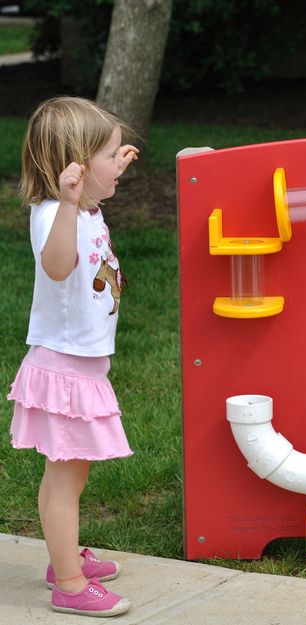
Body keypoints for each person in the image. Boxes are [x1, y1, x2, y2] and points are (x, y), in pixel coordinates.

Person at [7, 96, 139, 617]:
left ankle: (63, 559)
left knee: (69, 475)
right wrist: (66, 203)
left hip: (80, 367)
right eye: (110, 156)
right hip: (63, 369)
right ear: (75, 172)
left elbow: (90, 203)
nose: (120, 164)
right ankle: (68, 582)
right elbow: (58, 267)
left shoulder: (86, 207)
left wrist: (105, 174)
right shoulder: (54, 215)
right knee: (66, 480)